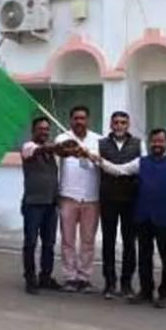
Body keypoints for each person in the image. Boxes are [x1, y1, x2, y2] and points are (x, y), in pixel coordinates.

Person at [89, 129, 166, 308]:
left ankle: (164, 293)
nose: (157, 144)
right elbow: (119, 170)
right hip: (143, 215)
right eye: (154, 141)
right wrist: (100, 161)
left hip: (164, 216)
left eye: (160, 141)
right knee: (144, 255)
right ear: (149, 143)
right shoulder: (141, 162)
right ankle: (146, 291)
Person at [98, 111, 144, 300]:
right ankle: (109, 284)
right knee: (108, 242)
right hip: (108, 198)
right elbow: (89, 165)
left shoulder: (139, 144)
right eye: (116, 122)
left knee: (129, 243)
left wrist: (107, 166)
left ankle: (126, 284)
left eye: (123, 122)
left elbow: (140, 167)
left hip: (131, 199)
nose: (119, 126)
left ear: (128, 125)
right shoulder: (100, 144)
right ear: (111, 124)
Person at [55, 106, 102, 293]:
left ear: (88, 120)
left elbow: (102, 163)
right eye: (76, 118)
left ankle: (84, 277)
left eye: (82, 118)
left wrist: (89, 154)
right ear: (70, 120)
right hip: (68, 195)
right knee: (68, 240)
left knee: (88, 240)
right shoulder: (62, 139)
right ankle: (70, 277)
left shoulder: (98, 140)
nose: (79, 121)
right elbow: (57, 161)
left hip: (92, 197)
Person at [20, 116, 64, 294]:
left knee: (49, 243)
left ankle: (45, 276)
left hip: (51, 204)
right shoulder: (28, 147)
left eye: (47, 129)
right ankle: (30, 278)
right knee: (31, 242)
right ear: (33, 130)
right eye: (41, 129)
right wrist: (59, 147)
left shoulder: (51, 153)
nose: (44, 132)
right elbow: (39, 150)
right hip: (33, 204)